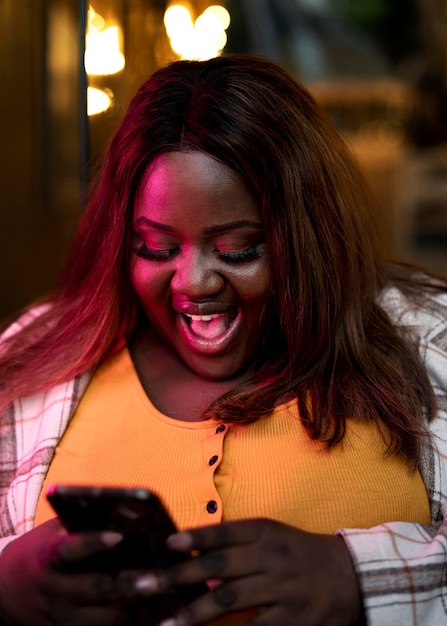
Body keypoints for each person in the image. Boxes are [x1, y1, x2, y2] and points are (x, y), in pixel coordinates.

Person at [0, 54, 446, 626]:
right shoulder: (38, 357)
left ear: (307, 237)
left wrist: (359, 580)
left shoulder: (432, 339)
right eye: (156, 249)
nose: (193, 282)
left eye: (237, 248)